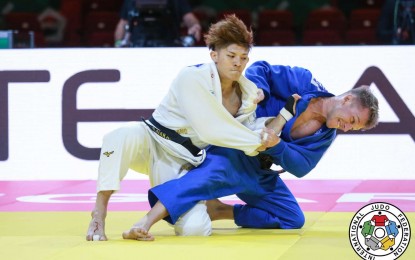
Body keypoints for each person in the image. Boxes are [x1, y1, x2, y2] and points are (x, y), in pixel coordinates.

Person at [121, 61, 379, 241]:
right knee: (200, 181)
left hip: (260, 170)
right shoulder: (305, 81)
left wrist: (277, 146)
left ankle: (220, 211)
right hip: (236, 149)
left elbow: (302, 166)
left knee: (292, 218)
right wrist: (257, 91)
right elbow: (262, 69)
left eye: (353, 129)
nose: (347, 128)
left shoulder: (326, 134)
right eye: (352, 120)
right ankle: (144, 222)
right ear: (346, 100)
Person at [86, 15, 285, 241]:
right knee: (118, 137)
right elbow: (211, 130)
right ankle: (98, 214)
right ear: (214, 55)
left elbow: (246, 130)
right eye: (231, 56)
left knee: (196, 230)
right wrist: (257, 144)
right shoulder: (191, 77)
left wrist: (279, 121)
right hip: (151, 139)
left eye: (243, 58)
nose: (238, 63)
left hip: (179, 161)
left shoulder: (249, 95)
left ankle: (211, 205)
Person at [114, 0, 202, 47]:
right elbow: (122, 23)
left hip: (169, 47)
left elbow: (190, 18)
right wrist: (118, 42)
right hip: (137, 47)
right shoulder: (131, 1)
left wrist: (194, 26)